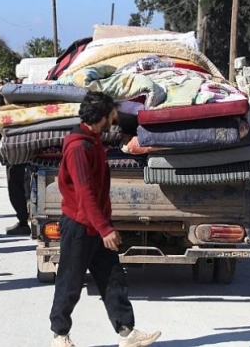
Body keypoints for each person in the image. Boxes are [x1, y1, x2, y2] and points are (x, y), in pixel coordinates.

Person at [49, 91, 160, 347]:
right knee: (70, 282)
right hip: (80, 226)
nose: (114, 119)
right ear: (100, 118)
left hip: (96, 224)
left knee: (113, 277)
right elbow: (84, 192)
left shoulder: (93, 140)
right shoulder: (79, 147)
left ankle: (127, 333)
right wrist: (105, 228)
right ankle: (60, 335)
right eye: (111, 115)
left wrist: (103, 225)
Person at [6, 163, 31, 235]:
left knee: (16, 192)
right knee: (18, 191)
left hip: (18, 162)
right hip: (21, 163)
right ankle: (23, 222)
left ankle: (23, 224)